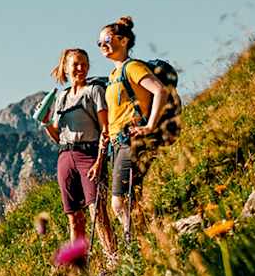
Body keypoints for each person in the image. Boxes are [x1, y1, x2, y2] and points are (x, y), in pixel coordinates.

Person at [97, 16, 168, 239]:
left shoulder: (132, 67)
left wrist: (150, 125)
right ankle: (148, 240)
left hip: (132, 139)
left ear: (124, 40)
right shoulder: (112, 76)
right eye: (99, 42)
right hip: (117, 142)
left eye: (107, 39)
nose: (103, 45)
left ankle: (136, 244)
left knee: (120, 202)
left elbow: (160, 91)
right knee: (130, 198)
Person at [43, 48, 117, 261]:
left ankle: (112, 259)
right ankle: (80, 266)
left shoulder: (94, 91)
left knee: (98, 212)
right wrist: (47, 123)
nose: (81, 68)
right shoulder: (62, 97)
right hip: (65, 157)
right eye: (75, 64)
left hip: (89, 155)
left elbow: (106, 129)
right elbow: (58, 137)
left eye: (84, 63)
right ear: (65, 68)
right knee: (74, 217)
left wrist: (100, 162)